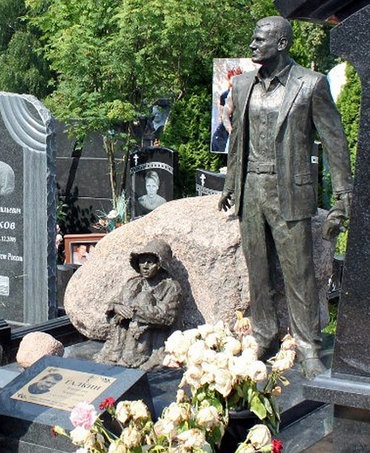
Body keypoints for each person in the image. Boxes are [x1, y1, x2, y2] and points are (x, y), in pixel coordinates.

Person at [218, 16, 352, 379]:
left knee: (299, 274)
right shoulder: (243, 84)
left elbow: (335, 141)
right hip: (251, 192)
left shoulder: (310, 85)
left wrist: (343, 196)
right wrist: (231, 184)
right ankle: (263, 334)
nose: (252, 46)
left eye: (259, 40)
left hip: (290, 192)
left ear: (282, 44)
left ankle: (309, 345)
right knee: (257, 271)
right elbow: (238, 140)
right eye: (253, 39)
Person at [95, 239, 182, 370]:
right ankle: (119, 354)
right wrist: (118, 308)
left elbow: (168, 316)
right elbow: (115, 302)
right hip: (122, 339)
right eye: (142, 261)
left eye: (150, 262)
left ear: (160, 264)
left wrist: (136, 314)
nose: (145, 266)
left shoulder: (171, 287)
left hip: (153, 339)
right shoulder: (134, 283)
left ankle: (137, 356)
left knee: (144, 297)